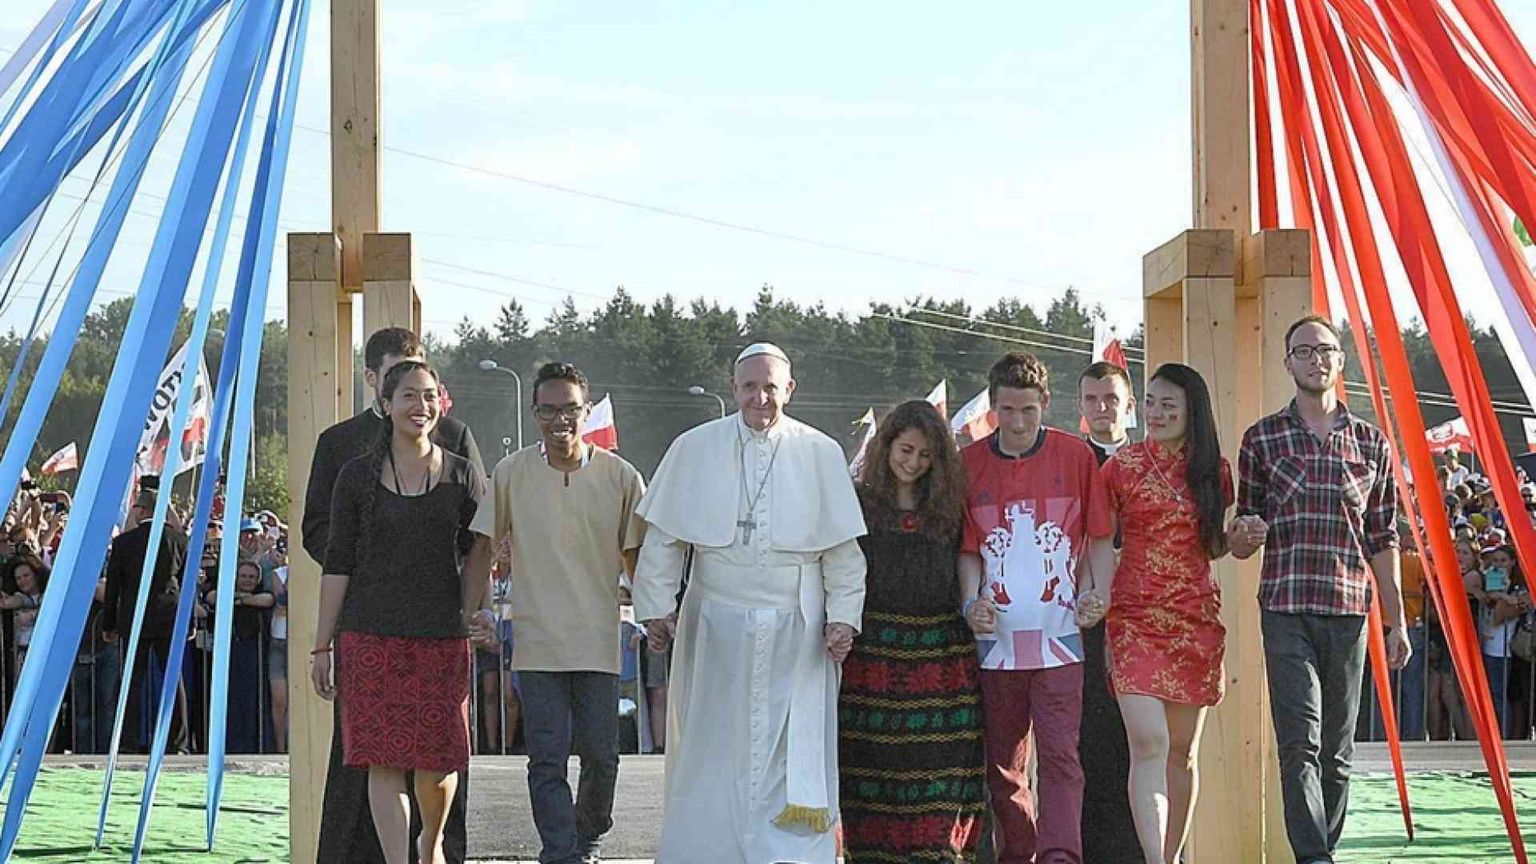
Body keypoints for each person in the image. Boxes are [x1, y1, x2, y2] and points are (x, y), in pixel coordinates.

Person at [632, 342, 867, 864]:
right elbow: (664, 542)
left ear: (790, 389)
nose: (760, 399)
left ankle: (786, 854)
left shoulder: (820, 451)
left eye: (770, 388)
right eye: (749, 387)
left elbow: (843, 554)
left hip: (796, 630)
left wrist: (843, 619)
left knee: (787, 751)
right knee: (712, 745)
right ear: (733, 388)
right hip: (714, 625)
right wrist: (656, 609)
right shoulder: (695, 447)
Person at [1228, 315, 1411, 864]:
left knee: (1337, 751)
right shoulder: (1261, 438)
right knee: (1299, 743)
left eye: (1325, 349)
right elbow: (1242, 533)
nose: (1316, 359)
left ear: (1341, 359)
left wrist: (1397, 622)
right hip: (1285, 608)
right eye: (1304, 351)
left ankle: (1320, 849)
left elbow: (1384, 538)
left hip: (1349, 609)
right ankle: (1314, 858)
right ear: (1288, 363)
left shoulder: (1371, 443)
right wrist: (1244, 534)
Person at [302, 327, 484, 864]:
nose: (420, 406)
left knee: (438, 761)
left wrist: (478, 611)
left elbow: (480, 548)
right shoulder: (353, 471)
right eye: (407, 395)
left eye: (429, 395)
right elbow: (335, 560)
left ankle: (431, 844)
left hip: (441, 634)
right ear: (383, 400)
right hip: (369, 634)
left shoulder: (463, 471)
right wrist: (322, 646)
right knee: (381, 760)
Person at [463, 361, 647, 864]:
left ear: (586, 412)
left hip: (598, 642)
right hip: (537, 642)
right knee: (546, 759)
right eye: (548, 410)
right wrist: (473, 612)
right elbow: (483, 546)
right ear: (534, 413)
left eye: (570, 409)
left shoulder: (620, 476)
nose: (559, 420)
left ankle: (588, 836)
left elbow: (638, 556)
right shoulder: (511, 472)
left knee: (602, 757)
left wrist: (657, 615)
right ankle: (560, 852)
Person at [960, 351, 1114, 864]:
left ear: (1045, 402)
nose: (1019, 422)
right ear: (993, 407)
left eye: (1028, 409)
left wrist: (1099, 595)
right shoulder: (969, 464)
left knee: (1060, 758)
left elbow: (1098, 538)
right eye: (1007, 410)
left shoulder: (1076, 456)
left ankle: (1060, 855)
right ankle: (1017, 854)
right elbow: (967, 549)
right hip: (996, 646)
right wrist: (970, 603)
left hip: (1060, 642)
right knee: (1004, 765)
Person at [1096, 363, 1232, 863]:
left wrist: (1240, 539)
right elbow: (1098, 539)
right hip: (1133, 618)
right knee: (1149, 742)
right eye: (1150, 402)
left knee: (1181, 751)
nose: (1155, 413)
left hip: (1194, 620)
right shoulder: (1121, 468)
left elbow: (1214, 545)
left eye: (1168, 404)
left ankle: (1172, 856)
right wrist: (1097, 592)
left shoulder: (1215, 472)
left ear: (1192, 410)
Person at [839, 400, 985, 863]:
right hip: (871, 659)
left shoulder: (950, 508)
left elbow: (968, 564)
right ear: (886, 446)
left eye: (925, 455)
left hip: (942, 660)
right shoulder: (857, 503)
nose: (913, 462)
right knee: (869, 770)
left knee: (940, 770)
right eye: (906, 450)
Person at [1074, 360, 1141, 862]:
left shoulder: (1150, 461)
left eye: (1111, 399)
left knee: (1145, 743)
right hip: (1084, 621)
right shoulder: (1070, 463)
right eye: (1092, 400)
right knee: (1090, 741)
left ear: (1130, 406)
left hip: (1145, 621)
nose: (1102, 408)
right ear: (1080, 406)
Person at [102, 477, 191, 755]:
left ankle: (128, 741)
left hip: (135, 618)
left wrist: (109, 623)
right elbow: (189, 585)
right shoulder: (179, 540)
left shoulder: (124, 543)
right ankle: (178, 742)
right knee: (173, 680)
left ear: (141, 510)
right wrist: (189, 621)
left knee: (132, 681)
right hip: (169, 617)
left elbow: (113, 587)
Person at [209, 559, 274, 753]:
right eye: (243, 576)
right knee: (232, 699)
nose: (247, 580)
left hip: (254, 652)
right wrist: (237, 596)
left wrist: (240, 600)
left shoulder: (263, 594)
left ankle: (255, 744)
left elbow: (267, 600)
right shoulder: (224, 589)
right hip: (230, 652)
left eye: (251, 577)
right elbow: (212, 597)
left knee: (253, 699)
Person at [1479, 544, 1529, 737]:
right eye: (1495, 561)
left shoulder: (1517, 589)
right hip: (1488, 647)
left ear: (1513, 563)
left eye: (1503, 561)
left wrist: (1504, 593)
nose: (1498, 565)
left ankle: (1503, 736)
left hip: (1504, 650)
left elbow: (1498, 617)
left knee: (1500, 696)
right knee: (1492, 696)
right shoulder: (1490, 579)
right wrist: (1492, 593)